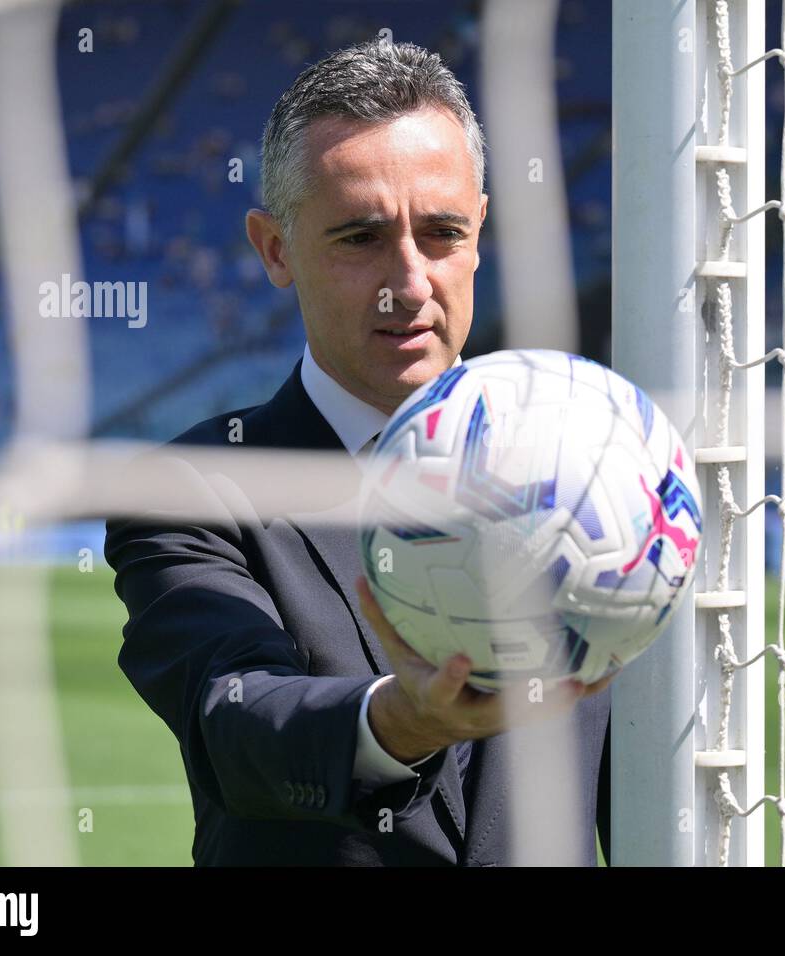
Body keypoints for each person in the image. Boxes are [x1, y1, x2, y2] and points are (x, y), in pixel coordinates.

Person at [104, 40, 614, 866]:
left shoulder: (596, 478)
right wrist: (403, 722)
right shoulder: (192, 490)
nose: (408, 283)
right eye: (360, 237)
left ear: (480, 231)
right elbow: (236, 727)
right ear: (275, 249)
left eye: (442, 232)